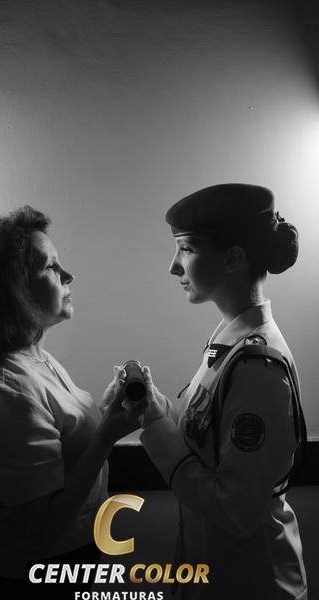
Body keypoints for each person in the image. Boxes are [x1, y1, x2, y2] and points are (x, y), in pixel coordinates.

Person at [0, 206, 142, 599]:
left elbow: (60, 448)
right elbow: (43, 528)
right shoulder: (5, 396)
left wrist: (105, 413)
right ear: (14, 289)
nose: (68, 275)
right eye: (51, 266)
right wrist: (108, 434)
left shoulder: (34, 358)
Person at [138, 184, 307, 599]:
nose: (174, 266)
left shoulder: (257, 368)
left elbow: (236, 512)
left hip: (251, 583)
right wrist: (156, 410)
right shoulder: (230, 343)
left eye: (187, 249)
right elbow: (209, 442)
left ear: (232, 258)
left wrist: (157, 431)